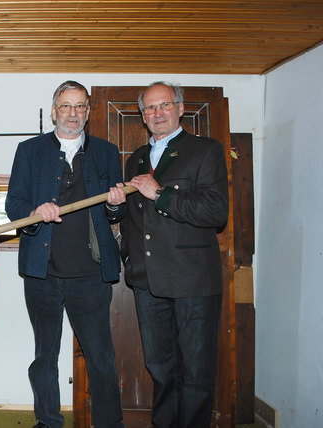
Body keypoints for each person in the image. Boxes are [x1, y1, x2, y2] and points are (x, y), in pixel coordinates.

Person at [5, 80, 126, 428]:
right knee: (45, 355)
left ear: (88, 113)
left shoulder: (105, 151)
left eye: (79, 107)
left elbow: (116, 214)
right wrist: (32, 211)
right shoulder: (30, 150)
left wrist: (117, 205)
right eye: (65, 106)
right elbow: (14, 204)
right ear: (54, 110)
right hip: (42, 273)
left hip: (90, 274)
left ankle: (109, 423)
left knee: (101, 356)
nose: (72, 113)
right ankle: (48, 421)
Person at [111, 81, 229, 428]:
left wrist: (160, 193)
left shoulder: (205, 150)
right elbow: (135, 219)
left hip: (192, 280)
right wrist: (115, 209)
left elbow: (215, 212)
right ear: (143, 117)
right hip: (148, 282)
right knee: (160, 367)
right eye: (150, 108)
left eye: (164, 105)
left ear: (180, 108)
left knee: (196, 371)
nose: (157, 113)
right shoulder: (136, 158)